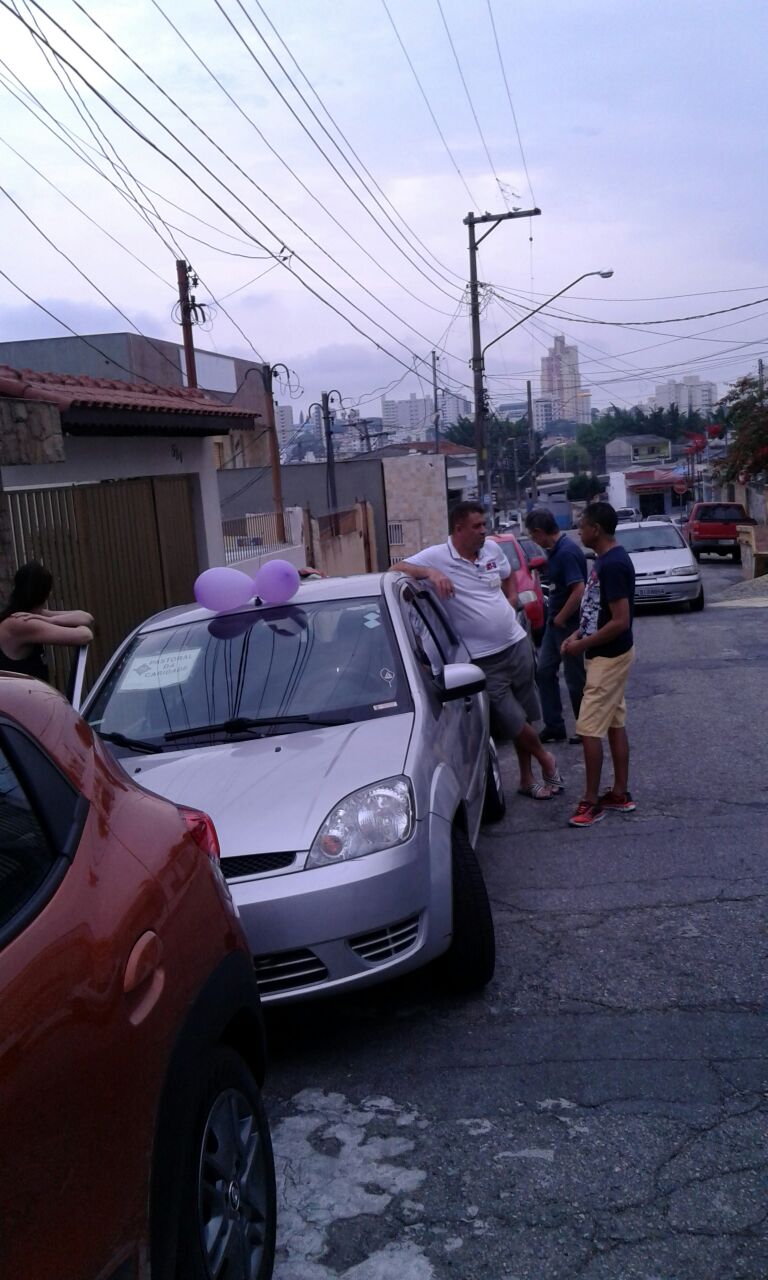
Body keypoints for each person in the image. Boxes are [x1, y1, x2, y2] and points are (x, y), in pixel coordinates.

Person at [395, 501, 563, 799]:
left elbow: (509, 574)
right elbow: (395, 568)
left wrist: (511, 599)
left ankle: (526, 779)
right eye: (477, 526)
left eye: (484, 525)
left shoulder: (492, 550)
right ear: (459, 529)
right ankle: (545, 759)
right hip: (484, 658)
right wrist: (431, 574)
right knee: (510, 717)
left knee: (523, 715)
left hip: (516, 642)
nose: (484, 531)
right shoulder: (437, 556)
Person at [560, 502, 636, 827]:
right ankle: (619, 793)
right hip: (603, 655)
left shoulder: (613, 564)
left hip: (609, 658)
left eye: (583, 525)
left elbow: (620, 621)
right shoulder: (603, 560)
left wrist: (582, 645)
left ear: (597, 530)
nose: (579, 531)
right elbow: (596, 610)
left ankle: (591, 802)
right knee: (615, 722)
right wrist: (577, 634)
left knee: (588, 728)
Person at [525, 508, 587, 744]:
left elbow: (578, 590)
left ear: (540, 532)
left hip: (568, 625)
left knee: (574, 677)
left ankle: (585, 726)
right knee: (543, 671)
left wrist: (561, 617)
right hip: (555, 624)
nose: (534, 540)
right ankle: (554, 726)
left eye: (533, 535)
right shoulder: (555, 552)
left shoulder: (566, 552)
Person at [0, 562, 94, 682]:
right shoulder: (21, 622)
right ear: (47, 593)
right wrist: (50, 619)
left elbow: (86, 617)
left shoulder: (27, 615)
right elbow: (85, 635)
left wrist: (50, 619)